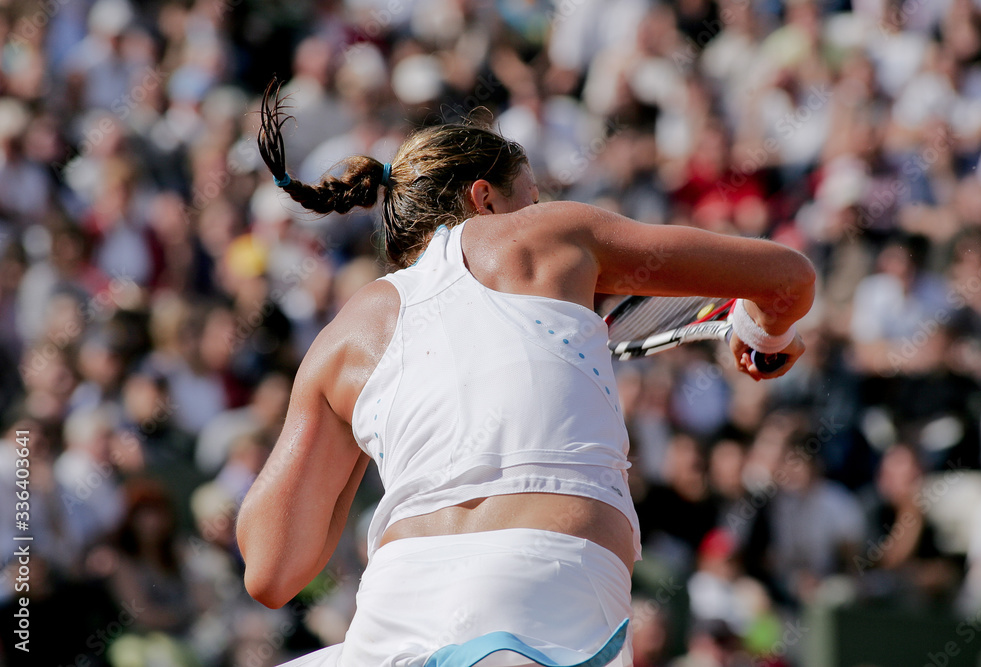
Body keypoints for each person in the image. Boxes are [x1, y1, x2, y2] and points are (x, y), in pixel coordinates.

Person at [236, 82, 816, 667]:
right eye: (532, 198)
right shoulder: (549, 234)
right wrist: (765, 331)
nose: (538, 211)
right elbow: (789, 277)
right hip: (545, 602)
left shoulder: (344, 338)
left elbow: (270, 572)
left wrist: (368, 426)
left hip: (390, 622)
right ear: (483, 197)